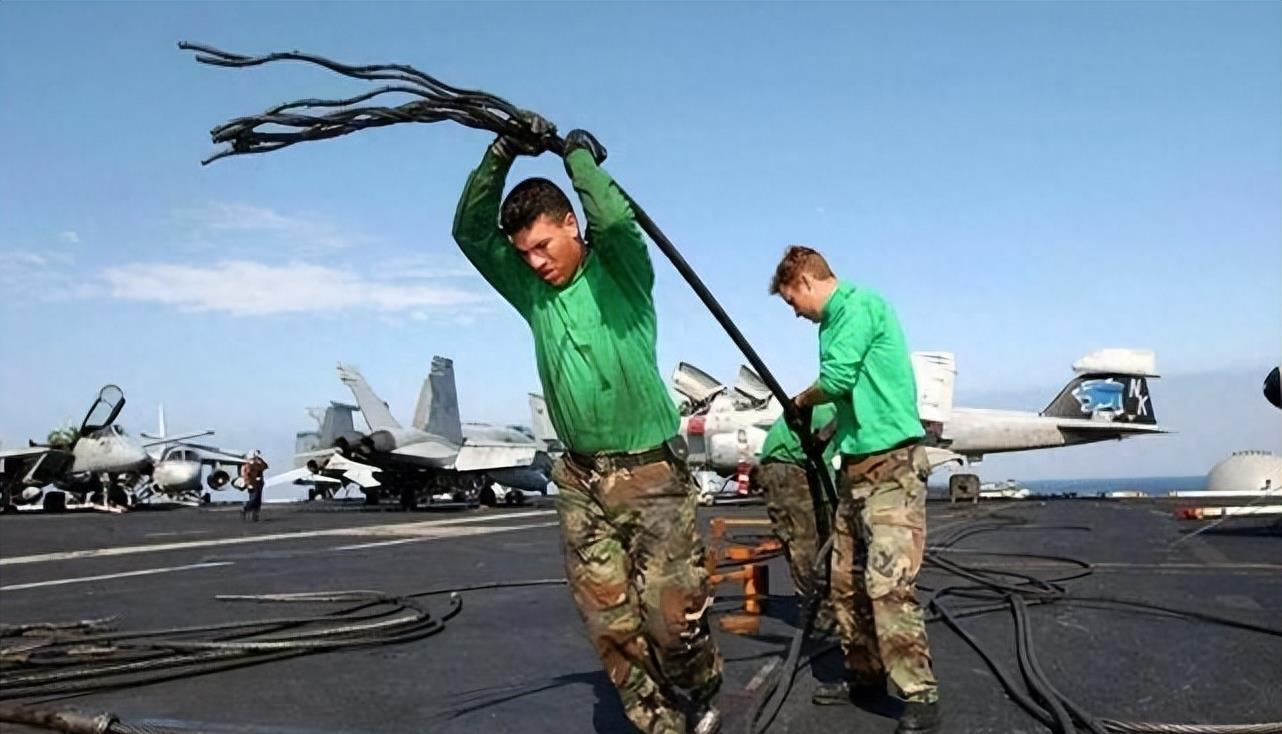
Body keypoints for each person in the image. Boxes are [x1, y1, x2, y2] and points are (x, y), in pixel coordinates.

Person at [452, 117, 722, 734]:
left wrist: (578, 159)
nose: (536, 261)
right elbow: (468, 230)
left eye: (544, 244)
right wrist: (500, 154)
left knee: (671, 620)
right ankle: (660, 725)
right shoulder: (531, 291)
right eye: (524, 253)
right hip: (579, 479)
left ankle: (700, 680)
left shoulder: (622, 274)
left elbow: (618, 222)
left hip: (652, 474)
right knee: (609, 622)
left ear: (571, 225)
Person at [769, 245, 940, 734]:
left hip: (892, 470)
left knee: (888, 584)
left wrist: (801, 400)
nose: (795, 313)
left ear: (804, 281)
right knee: (845, 583)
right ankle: (865, 675)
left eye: (791, 301)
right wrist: (824, 433)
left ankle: (921, 695)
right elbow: (854, 395)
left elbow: (839, 379)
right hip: (856, 472)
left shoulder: (859, 306)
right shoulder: (833, 323)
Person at [750, 404, 839, 626]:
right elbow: (823, 459)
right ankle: (812, 609)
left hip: (797, 467)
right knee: (804, 541)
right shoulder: (830, 413)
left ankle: (820, 604)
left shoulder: (831, 408)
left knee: (817, 535)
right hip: (786, 469)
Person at [240, 450, 268, 522]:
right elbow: (246, 476)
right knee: (253, 499)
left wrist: (260, 461)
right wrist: (249, 484)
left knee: (258, 501)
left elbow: (265, 466)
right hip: (252, 484)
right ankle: (245, 508)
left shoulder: (257, 463)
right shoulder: (248, 464)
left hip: (259, 484)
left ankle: (255, 517)